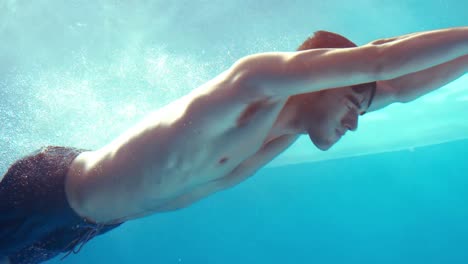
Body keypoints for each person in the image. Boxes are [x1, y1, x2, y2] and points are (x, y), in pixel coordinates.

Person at [1, 27, 467, 263]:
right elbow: (380, 59)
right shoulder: (253, 87)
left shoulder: (285, 133)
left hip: (87, 224)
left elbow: (398, 87)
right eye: (351, 100)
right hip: (51, 192)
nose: (355, 121)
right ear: (320, 77)